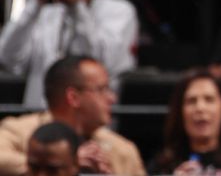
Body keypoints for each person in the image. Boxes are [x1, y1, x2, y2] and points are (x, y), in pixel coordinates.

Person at [0, 0, 138, 108]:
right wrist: (36, 2)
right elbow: (7, 57)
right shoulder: (44, 13)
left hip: (91, 124)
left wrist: (77, 6)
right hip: (41, 122)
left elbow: (101, 63)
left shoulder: (118, 11)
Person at [0, 55, 145, 175]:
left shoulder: (123, 150)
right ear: (73, 97)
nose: (112, 98)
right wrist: (63, 162)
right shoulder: (16, 132)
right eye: (102, 89)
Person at [149, 68, 221, 175]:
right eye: (191, 101)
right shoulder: (162, 166)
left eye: (209, 99)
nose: (200, 108)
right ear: (180, 111)